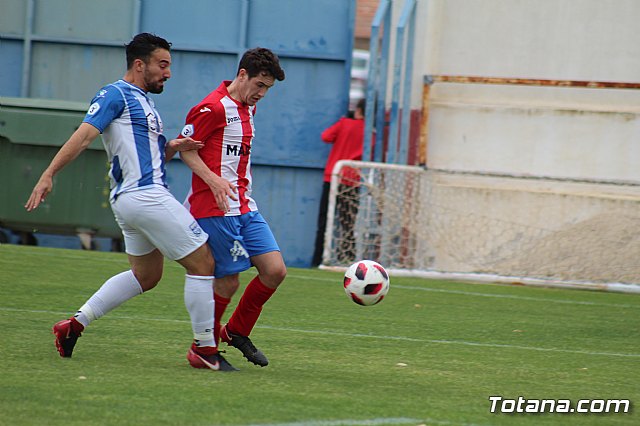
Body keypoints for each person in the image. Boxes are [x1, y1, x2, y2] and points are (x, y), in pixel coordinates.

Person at [25, 33, 236, 372]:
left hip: (133, 200)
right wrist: (49, 173)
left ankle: (73, 325)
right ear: (140, 65)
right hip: (145, 196)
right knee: (203, 263)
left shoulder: (144, 102)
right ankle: (204, 348)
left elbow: (146, 155)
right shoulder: (115, 94)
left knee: (146, 275)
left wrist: (172, 148)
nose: (168, 73)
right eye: (162, 65)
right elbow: (83, 136)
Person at [178, 47, 287, 367]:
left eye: (268, 88)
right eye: (259, 85)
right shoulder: (211, 108)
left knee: (274, 270)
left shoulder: (249, 108)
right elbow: (186, 151)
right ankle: (203, 347)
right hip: (214, 208)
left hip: (245, 207)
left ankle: (236, 331)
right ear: (243, 75)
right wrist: (213, 180)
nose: (262, 94)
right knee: (228, 280)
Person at [311, 99, 366, 266]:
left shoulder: (344, 124)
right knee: (348, 223)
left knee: (324, 222)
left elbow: (325, 136)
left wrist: (345, 121)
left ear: (357, 110)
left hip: (333, 178)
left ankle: (317, 259)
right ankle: (347, 260)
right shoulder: (371, 133)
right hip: (353, 180)